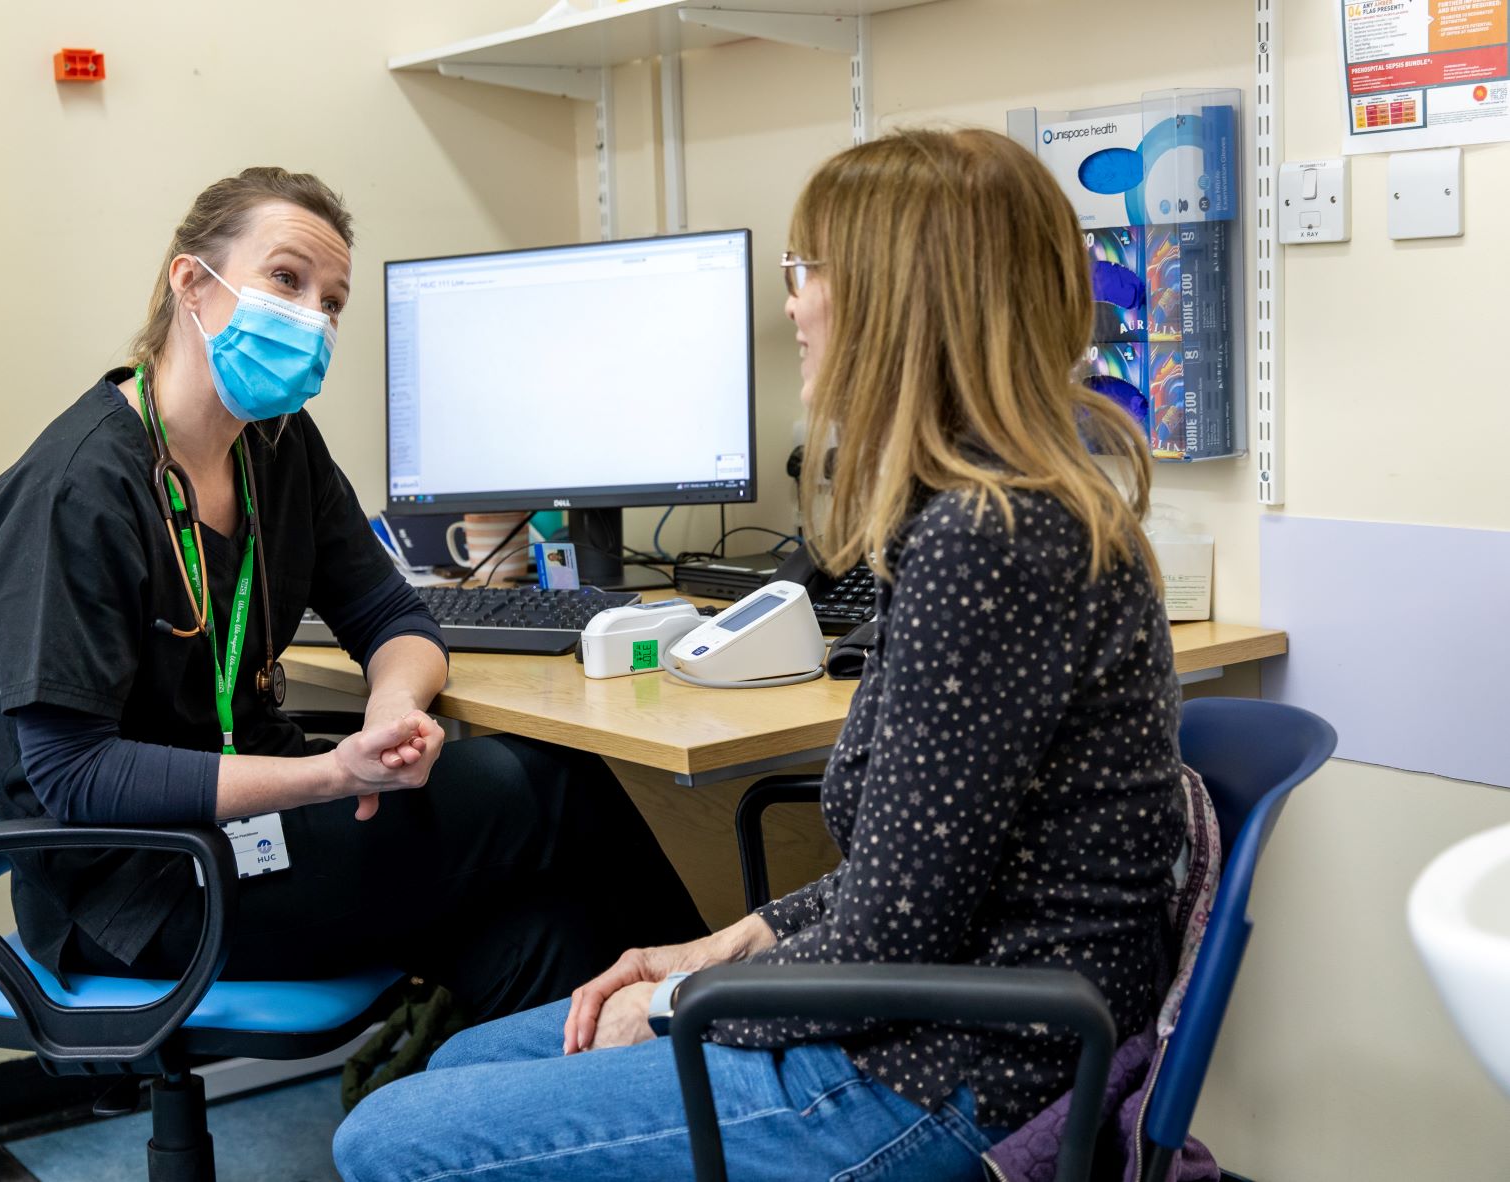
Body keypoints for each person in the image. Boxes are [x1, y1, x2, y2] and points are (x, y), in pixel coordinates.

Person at [333, 128, 1186, 1181]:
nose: (793, 303)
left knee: (388, 1141)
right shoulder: (981, 518)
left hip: (949, 1072)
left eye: (807, 269)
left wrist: (683, 1005)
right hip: (931, 1017)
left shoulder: (991, 545)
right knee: (460, 1061)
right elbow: (902, 881)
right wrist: (712, 948)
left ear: (895, 297)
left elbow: (889, 944)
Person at [0, 167, 705, 1023]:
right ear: (190, 283)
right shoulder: (77, 488)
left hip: (265, 835)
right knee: (550, 784)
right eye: (287, 279)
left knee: (541, 936)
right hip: (141, 883)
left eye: (332, 302)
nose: (312, 317)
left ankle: (593, 1130)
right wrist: (326, 775)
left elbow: (391, 615)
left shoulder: (276, 446)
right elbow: (74, 776)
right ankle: (742, 1031)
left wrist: (391, 709)